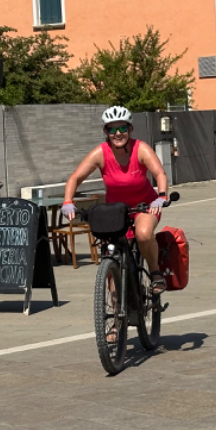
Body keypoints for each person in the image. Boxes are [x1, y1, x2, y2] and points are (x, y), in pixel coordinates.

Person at [63, 105, 169, 293]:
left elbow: (159, 173)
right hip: (116, 210)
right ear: (106, 132)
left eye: (122, 128)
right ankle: (116, 305)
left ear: (130, 129)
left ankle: (155, 273)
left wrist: (161, 196)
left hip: (145, 206)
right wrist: (67, 202)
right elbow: (75, 178)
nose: (118, 133)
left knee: (143, 234)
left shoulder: (140, 149)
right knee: (112, 253)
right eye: (112, 129)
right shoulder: (100, 153)